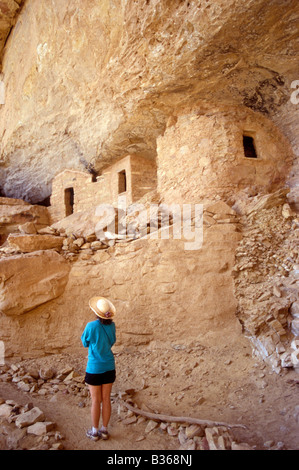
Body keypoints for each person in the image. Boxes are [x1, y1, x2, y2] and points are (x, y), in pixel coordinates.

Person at [81, 296, 116, 441]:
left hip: (94, 368)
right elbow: (112, 341)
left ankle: (94, 432)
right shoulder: (112, 326)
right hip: (109, 366)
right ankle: (104, 430)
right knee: (106, 399)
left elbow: (84, 342)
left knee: (96, 400)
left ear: (96, 312)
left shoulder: (91, 326)